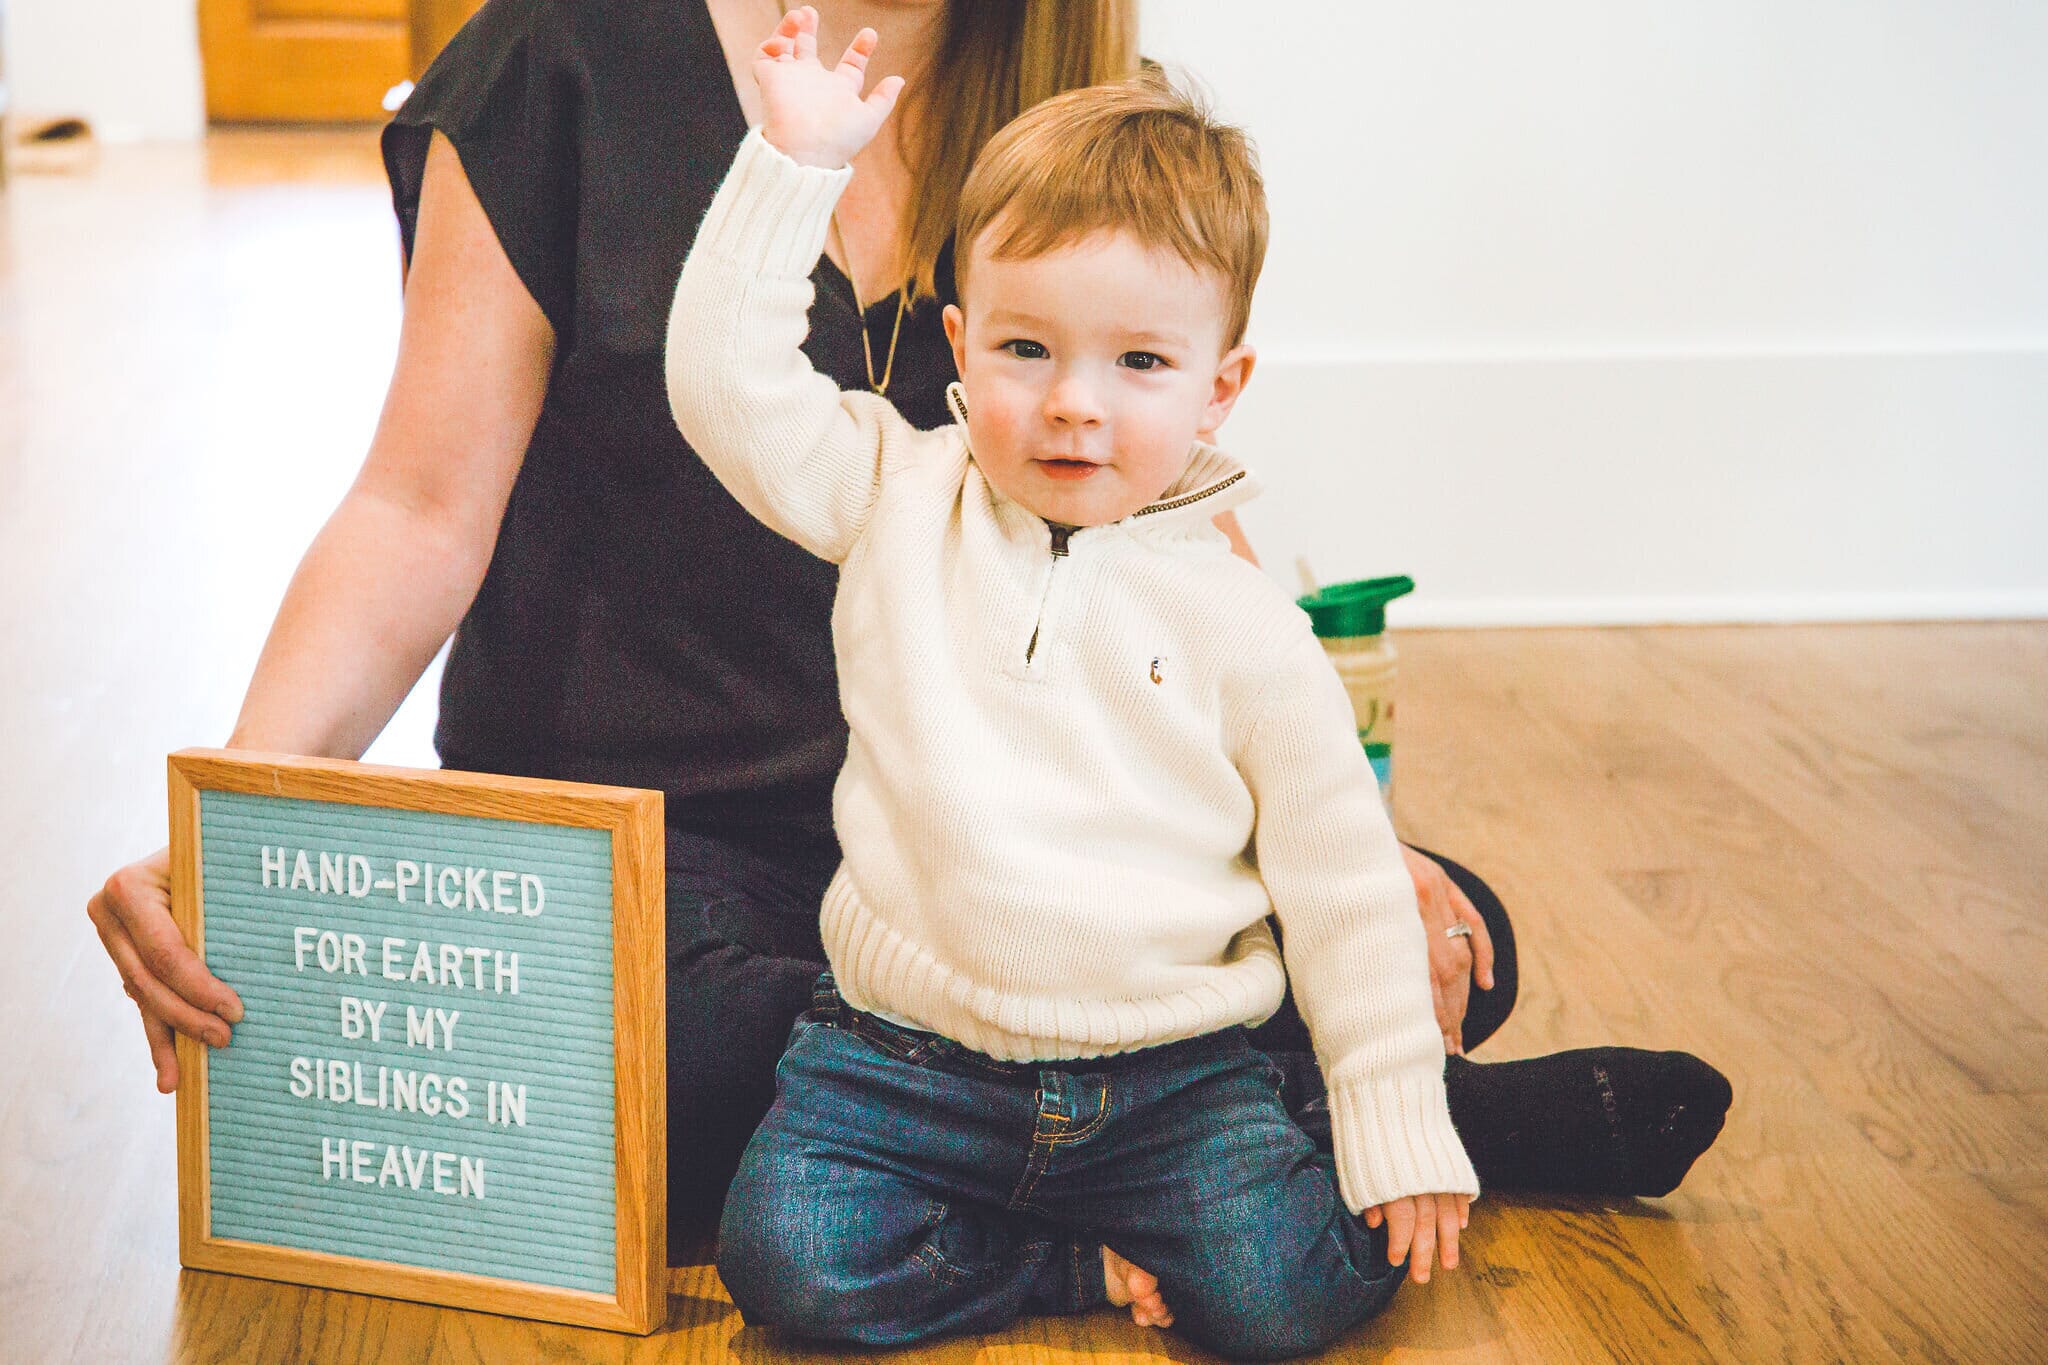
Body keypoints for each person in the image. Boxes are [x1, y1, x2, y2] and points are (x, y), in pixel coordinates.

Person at [83, 0, 1728, 1278]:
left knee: (1453, 925)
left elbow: (1169, 535)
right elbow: (416, 512)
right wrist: (244, 809)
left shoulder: (1083, 97)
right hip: (667, 849)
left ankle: (1161, 1122)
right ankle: (1288, 1134)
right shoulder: (556, 59)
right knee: (684, 1067)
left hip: (996, 824)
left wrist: (1357, 855)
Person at [665, 15, 1472, 1354]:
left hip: (1171, 1077)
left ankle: (1368, 1118)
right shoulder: (894, 494)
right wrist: (788, 168)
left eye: (1140, 363)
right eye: (1027, 351)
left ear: (1222, 388)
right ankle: (1058, 1266)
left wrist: (1395, 1105)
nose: (1074, 406)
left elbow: (1340, 882)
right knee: (785, 1261)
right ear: (961, 342)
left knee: (1277, 1298)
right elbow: (723, 389)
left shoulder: (1242, 622)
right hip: (900, 1058)